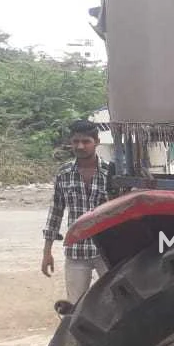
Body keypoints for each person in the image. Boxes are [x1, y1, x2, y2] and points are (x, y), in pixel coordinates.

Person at [41, 119, 113, 304]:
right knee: (74, 306)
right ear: (71, 143)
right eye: (76, 142)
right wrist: (47, 252)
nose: (80, 146)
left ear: (96, 141)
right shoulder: (64, 173)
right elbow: (56, 212)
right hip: (76, 251)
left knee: (117, 302)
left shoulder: (111, 172)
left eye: (86, 141)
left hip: (107, 250)